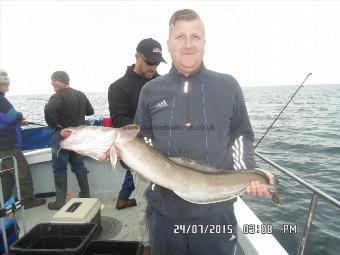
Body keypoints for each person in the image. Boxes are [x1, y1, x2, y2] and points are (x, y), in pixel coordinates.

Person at [134, 9, 270, 255]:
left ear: (204, 42)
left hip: (216, 214)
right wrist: (121, 151)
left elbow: (241, 135)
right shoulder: (150, 91)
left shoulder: (228, 86)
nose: (188, 44)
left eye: (195, 36)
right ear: (169, 44)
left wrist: (246, 172)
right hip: (164, 214)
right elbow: (143, 138)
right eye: (180, 37)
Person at [108, 38, 166, 254]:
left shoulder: (165, 82)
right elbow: (119, 121)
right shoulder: (118, 87)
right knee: (145, 203)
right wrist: (151, 126)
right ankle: (147, 246)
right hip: (140, 157)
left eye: (157, 63)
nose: (154, 67)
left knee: (170, 202)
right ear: (137, 57)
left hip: (169, 155)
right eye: (150, 62)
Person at [44, 71, 94, 210]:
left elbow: (48, 111)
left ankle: (60, 202)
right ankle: (86, 195)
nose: (52, 82)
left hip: (63, 136)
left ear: (62, 81)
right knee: (79, 165)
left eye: (54, 79)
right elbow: (90, 111)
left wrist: (57, 128)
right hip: (77, 137)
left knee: (59, 169)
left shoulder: (57, 96)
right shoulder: (80, 94)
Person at [0, 69, 46, 209]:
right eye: (6, 84)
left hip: (2, 147)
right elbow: (12, 116)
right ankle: (28, 200)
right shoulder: (1, 100)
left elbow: (4, 119)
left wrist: (17, 120)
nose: (8, 87)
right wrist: (20, 117)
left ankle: (4, 205)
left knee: (5, 178)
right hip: (8, 146)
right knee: (22, 173)